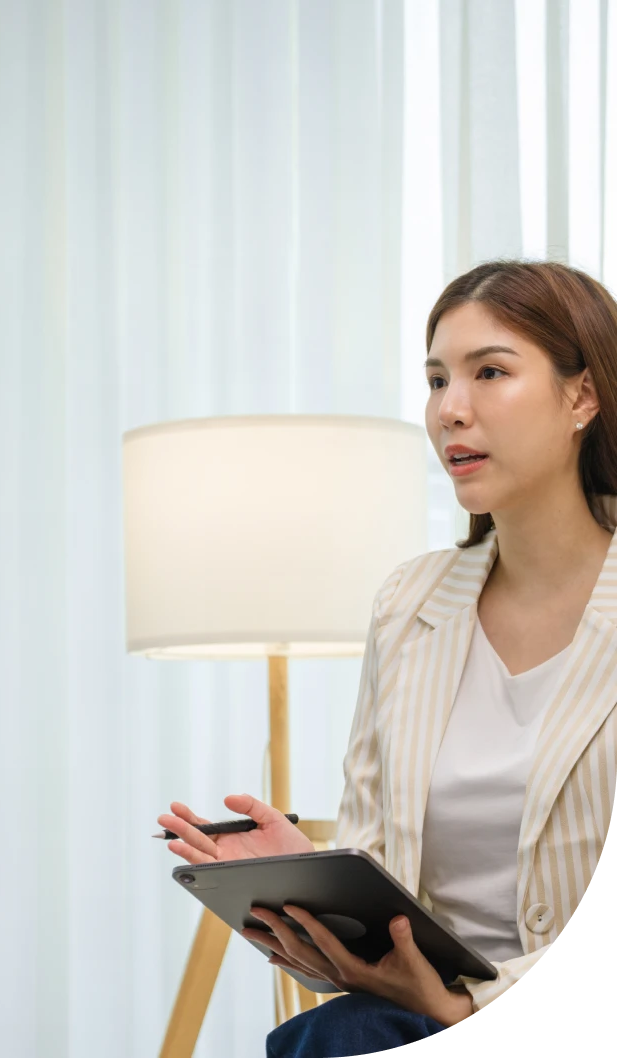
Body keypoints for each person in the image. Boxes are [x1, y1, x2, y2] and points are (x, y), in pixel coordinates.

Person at [160, 259, 617, 1056]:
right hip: (410, 1023)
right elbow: (388, 874)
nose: (451, 409)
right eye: (437, 380)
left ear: (583, 396)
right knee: (341, 1030)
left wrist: (463, 1007)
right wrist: (314, 892)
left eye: (490, 373)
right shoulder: (409, 606)